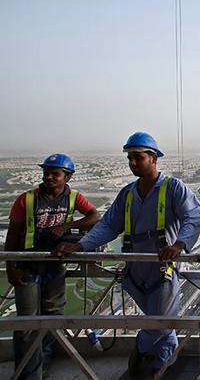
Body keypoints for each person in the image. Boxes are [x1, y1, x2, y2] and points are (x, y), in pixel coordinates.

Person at [54, 132, 200, 377]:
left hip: (162, 268)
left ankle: (151, 360)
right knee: (160, 321)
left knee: (161, 322)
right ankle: (162, 361)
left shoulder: (174, 188)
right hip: (135, 268)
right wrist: (81, 245)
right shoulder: (128, 194)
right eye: (130, 158)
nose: (133, 163)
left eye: (138, 157)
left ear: (153, 158)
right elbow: (109, 225)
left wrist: (180, 244)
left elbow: (193, 217)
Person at [5, 153, 99, 380]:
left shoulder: (74, 197)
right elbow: (13, 233)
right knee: (27, 323)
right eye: (46, 173)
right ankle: (29, 374)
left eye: (54, 174)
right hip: (27, 265)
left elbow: (95, 216)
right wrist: (11, 267)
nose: (48, 177)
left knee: (52, 318)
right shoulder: (26, 200)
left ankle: (43, 364)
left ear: (67, 177)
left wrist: (68, 225)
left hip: (55, 265)